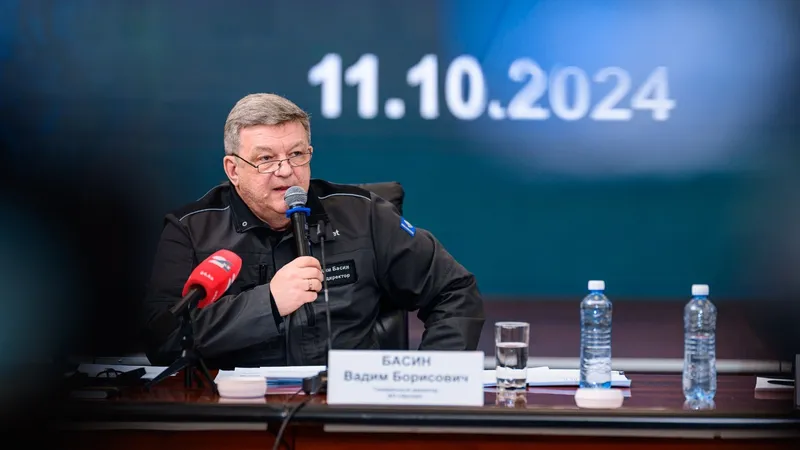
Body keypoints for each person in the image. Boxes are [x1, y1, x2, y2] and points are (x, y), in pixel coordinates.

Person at [142, 93, 485, 368]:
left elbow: (454, 290)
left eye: (296, 154)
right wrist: (268, 302)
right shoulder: (190, 230)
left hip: (347, 410)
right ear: (233, 169)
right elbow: (163, 339)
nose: (285, 171)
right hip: (235, 412)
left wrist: (431, 378)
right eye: (266, 159)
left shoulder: (363, 216)